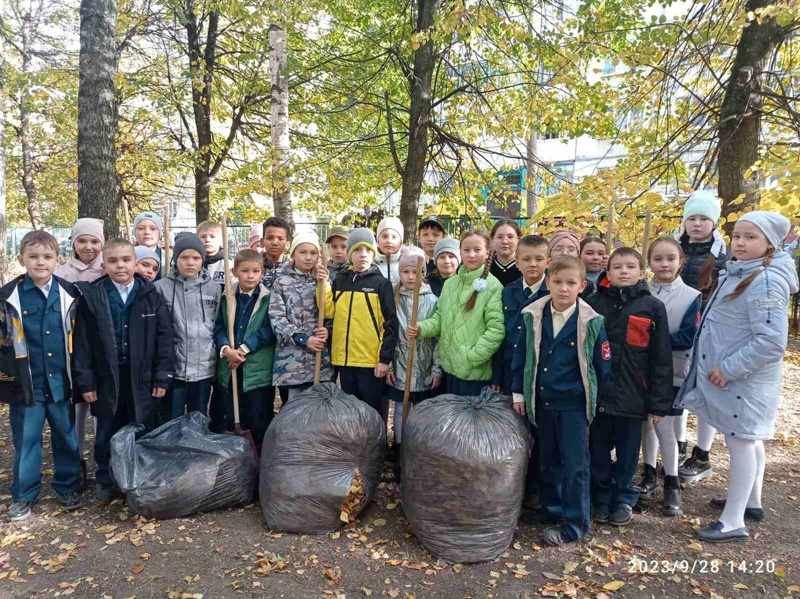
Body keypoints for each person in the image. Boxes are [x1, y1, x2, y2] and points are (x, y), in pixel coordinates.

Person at [677, 212, 798, 543]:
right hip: (733, 380)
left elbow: (771, 342)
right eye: (738, 236)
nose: (741, 243)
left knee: (741, 442)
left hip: (743, 381)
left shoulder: (766, 281)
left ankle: (732, 521)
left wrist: (728, 368)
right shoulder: (740, 271)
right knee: (750, 440)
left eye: (751, 237)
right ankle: (751, 502)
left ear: (769, 244)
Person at [511, 257, 612, 545]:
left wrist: (589, 400)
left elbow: (602, 368)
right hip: (542, 402)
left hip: (573, 406)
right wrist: (519, 393)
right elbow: (522, 356)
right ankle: (551, 507)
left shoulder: (591, 322)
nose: (563, 289)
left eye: (570, 283)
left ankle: (575, 522)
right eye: (557, 282)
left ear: (582, 286)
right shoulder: (533, 315)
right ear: (548, 283)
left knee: (575, 465)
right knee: (548, 459)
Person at [72, 238, 174, 503]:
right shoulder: (93, 297)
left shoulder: (150, 294)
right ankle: (106, 478)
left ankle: (140, 478)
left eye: (126, 260)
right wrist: (86, 382)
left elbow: (165, 338)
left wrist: (162, 375)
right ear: (104, 264)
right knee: (106, 430)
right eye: (114, 261)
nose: (121, 266)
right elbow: (82, 343)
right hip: (108, 378)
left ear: (135, 263)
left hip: (142, 376)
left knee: (143, 427)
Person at [586, 247, 672, 527]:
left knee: (627, 453)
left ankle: (623, 498)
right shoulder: (593, 303)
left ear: (641, 272)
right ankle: (600, 496)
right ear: (607, 272)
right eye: (618, 266)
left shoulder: (652, 307)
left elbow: (661, 359)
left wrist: (658, 403)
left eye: (630, 266)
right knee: (597, 450)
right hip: (598, 394)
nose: (624, 271)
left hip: (633, 396)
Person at [0, 231, 83, 520]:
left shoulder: (70, 293)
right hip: (27, 385)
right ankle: (23, 494)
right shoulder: (7, 297)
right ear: (21, 258)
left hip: (61, 382)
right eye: (33, 257)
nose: (40, 262)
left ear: (57, 260)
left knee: (66, 435)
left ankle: (69, 485)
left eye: (47, 257)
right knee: (26, 440)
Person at [634, 238, 701, 517]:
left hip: (672, 371)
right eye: (658, 258)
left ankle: (671, 481)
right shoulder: (641, 291)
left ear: (680, 262)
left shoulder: (691, 296)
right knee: (645, 427)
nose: (664, 264)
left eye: (670, 258)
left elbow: (687, 337)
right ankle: (649, 473)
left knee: (666, 427)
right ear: (649, 262)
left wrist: (651, 343)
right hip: (640, 372)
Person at [408, 230, 504, 396]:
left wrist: (470, 358)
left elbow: (496, 330)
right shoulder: (451, 284)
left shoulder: (493, 286)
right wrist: (421, 328)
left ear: (487, 252)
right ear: (460, 252)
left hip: (474, 374)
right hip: (450, 370)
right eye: (466, 250)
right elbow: (440, 317)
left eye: (477, 250)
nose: (471, 255)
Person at [677, 190, 729, 482]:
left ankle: (703, 454)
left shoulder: (723, 254)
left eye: (703, 219)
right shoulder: (675, 247)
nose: (696, 224)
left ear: (714, 222)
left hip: (709, 331)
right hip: (677, 327)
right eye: (691, 218)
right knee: (679, 388)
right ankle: (679, 444)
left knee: (704, 390)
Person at [321, 228, 398, 413]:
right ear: (349, 254)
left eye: (367, 250)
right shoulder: (340, 281)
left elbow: (390, 324)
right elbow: (329, 311)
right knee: (350, 410)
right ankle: (355, 442)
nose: (362, 255)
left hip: (370, 362)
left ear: (374, 252)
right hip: (345, 360)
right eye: (356, 250)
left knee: (371, 410)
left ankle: (376, 442)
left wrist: (384, 360)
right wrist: (323, 285)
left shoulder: (381, 284)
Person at [54, 218, 105, 491]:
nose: (88, 246)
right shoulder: (61, 273)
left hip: (99, 350)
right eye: (82, 240)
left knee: (101, 409)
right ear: (73, 242)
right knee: (75, 410)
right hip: (70, 348)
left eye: (95, 241)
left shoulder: (107, 269)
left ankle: (101, 462)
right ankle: (76, 462)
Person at [386, 246, 441, 482]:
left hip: (424, 364)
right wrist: (388, 364)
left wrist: (436, 369)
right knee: (400, 408)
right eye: (406, 272)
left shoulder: (432, 300)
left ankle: (416, 450)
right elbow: (387, 332)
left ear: (423, 275)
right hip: (400, 363)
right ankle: (399, 448)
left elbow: (439, 337)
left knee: (420, 411)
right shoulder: (394, 298)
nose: (410, 277)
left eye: (415, 273)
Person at [154, 232, 221, 420]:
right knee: (171, 418)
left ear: (203, 260)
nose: (190, 262)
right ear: (175, 259)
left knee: (198, 417)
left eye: (196, 258)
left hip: (203, 367)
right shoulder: (161, 288)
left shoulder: (214, 288)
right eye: (184, 257)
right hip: (174, 368)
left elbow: (216, 324)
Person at [215, 249, 276, 452]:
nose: (250, 275)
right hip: (231, 366)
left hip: (257, 370)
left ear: (262, 273)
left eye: (255, 271)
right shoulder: (227, 296)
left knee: (259, 416)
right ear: (234, 271)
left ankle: (260, 458)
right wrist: (226, 349)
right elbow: (220, 326)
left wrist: (242, 349)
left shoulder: (268, 298)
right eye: (245, 271)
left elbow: (269, 329)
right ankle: (238, 462)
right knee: (234, 413)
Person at [269, 231, 333, 401]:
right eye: (303, 252)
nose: (308, 257)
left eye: (313, 253)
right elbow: (277, 318)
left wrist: (327, 331)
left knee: (318, 408)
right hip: (291, 361)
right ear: (293, 254)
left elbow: (331, 312)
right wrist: (303, 338)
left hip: (319, 360)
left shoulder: (322, 280)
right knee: (293, 407)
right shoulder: (281, 282)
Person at [261, 216, 292, 290]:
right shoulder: (253, 267)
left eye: (280, 239)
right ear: (262, 242)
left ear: (287, 244)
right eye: (269, 238)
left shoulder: (294, 269)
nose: (274, 242)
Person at [133, 211, 165, 280]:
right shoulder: (126, 256)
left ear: (160, 233)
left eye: (153, 229)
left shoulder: (168, 259)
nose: (147, 232)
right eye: (141, 228)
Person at [489, 219, 522, 287]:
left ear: (518, 239)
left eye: (510, 237)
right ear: (492, 240)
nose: (504, 241)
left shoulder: (525, 268)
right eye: (500, 237)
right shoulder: (484, 268)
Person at [375, 216, 405, 285]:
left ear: (400, 242)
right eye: (384, 236)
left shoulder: (407, 263)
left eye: (394, 237)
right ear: (378, 240)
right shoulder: (371, 264)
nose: (389, 241)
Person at [197, 220, 226, 285]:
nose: (207, 240)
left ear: (221, 240)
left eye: (212, 236)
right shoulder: (193, 263)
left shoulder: (227, 265)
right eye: (203, 236)